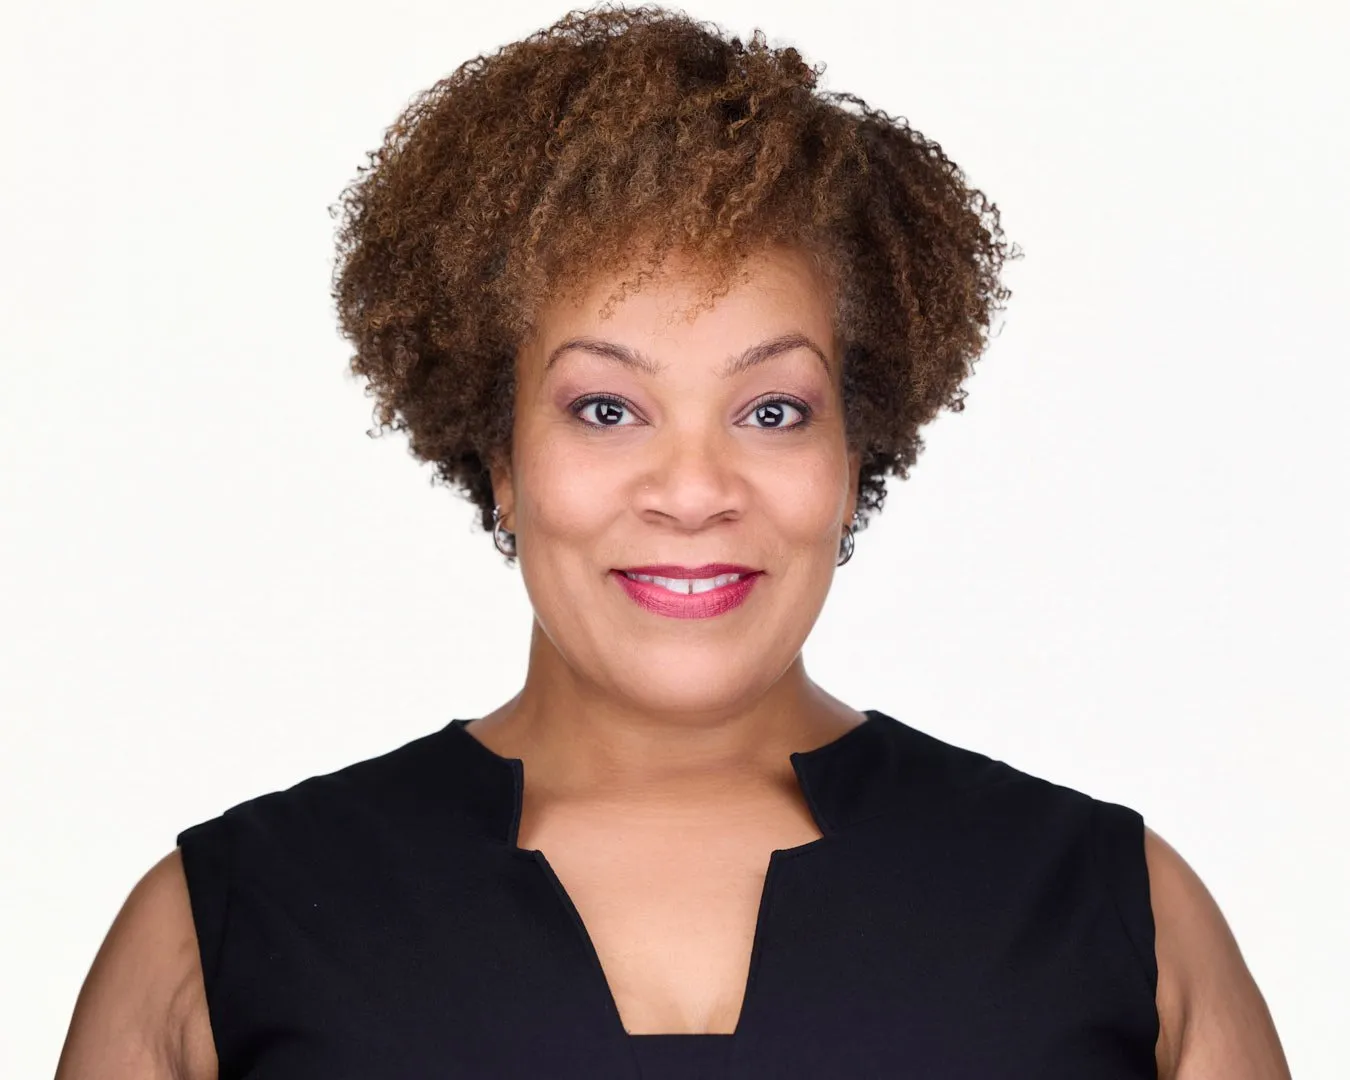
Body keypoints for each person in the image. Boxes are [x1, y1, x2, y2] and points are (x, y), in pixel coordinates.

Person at [56, 5, 1290, 1078]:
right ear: (497, 453)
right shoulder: (222, 934)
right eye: (607, 409)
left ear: (853, 454)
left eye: (770, 410)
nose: (694, 489)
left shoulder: (1119, 916)